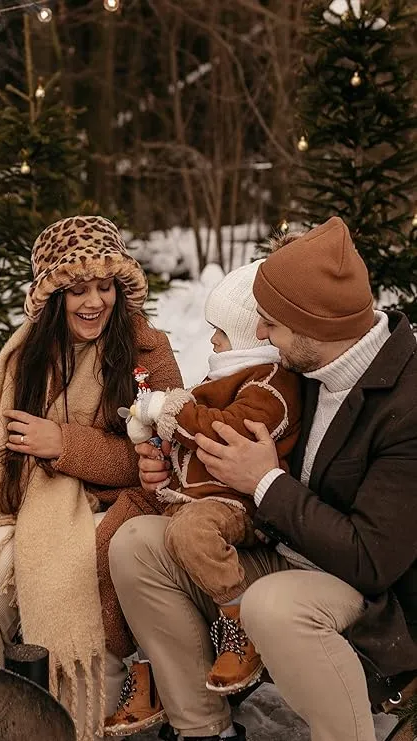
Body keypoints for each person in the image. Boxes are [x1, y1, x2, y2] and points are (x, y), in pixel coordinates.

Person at [109, 216, 417, 741]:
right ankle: (203, 729)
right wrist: (182, 464)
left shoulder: (405, 405)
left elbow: (372, 561)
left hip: (366, 592)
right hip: (285, 548)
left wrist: (266, 482)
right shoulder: (305, 365)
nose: (260, 335)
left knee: (271, 606)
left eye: (272, 323)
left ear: (315, 324)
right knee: (136, 544)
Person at [0, 215, 182, 741]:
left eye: (104, 287)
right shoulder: (19, 361)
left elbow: (163, 461)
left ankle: (77, 718)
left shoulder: (148, 353)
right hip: (25, 513)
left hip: (115, 514)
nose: (93, 301)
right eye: (76, 290)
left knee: (78, 560)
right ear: (53, 297)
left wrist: (65, 445)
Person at [105, 258, 301, 736]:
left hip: (242, 510)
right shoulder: (222, 380)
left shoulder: (271, 385)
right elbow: (192, 440)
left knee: (188, 531)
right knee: (122, 543)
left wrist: (174, 409)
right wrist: (161, 453)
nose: (212, 341)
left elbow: (229, 432)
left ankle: (240, 623)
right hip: (201, 502)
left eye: (221, 332)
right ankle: (150, 667)